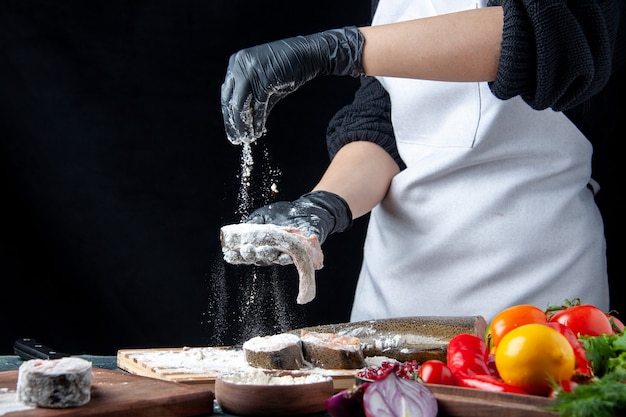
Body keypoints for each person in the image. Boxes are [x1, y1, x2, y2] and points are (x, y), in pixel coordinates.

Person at [220, 0, 625, 323]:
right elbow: (385, 120)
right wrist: (322, 206)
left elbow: (552, 38)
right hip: (393, 302)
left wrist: (340, 49)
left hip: (533, 296)